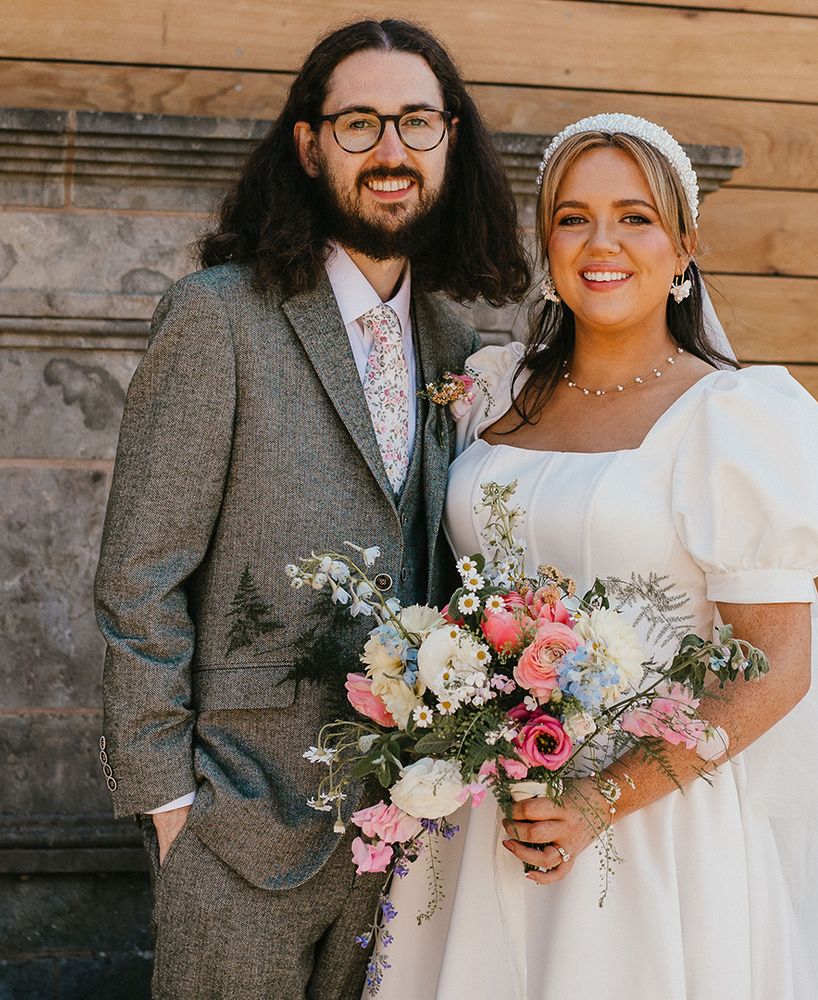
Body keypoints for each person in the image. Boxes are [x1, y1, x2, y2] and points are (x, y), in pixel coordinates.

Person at [372, 115, 818, 999]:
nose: (602, 242)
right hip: (484, 809)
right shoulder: (489, 392)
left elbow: (778, 666)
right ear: (549, 241)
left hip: (655, 826)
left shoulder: (736, 421)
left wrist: (600, 801)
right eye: (573, 217)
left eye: (635, 217)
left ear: (684, 247)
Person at [94, 19, 531, 999]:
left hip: (412, 846)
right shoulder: (218, 317)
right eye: (360, 122)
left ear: (450, 142)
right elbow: (139, 575)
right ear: (308, 143)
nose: (391, 150)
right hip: (237, 828)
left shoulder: (464, 351)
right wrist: (169, 803)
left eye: (418, 122)